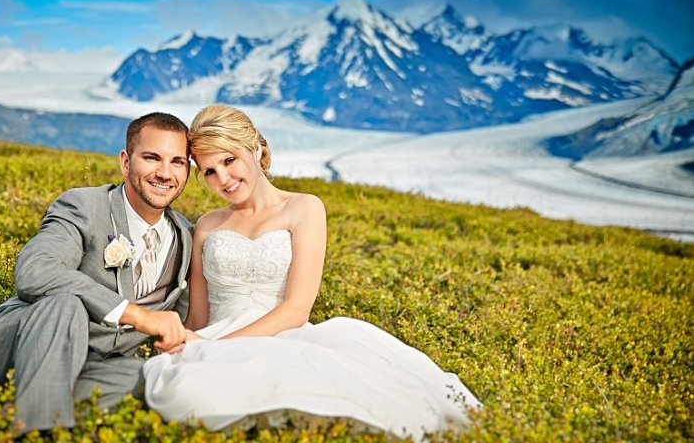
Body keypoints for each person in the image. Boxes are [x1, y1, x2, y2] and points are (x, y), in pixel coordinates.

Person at [142, 105, 481, 440]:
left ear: (255, 148)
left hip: (285, 335)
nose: (223, 179)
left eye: (229, 161)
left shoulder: (304, 207)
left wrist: (219, 347)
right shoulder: (207, 225)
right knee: (187, 392)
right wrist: (190, 344)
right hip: (215, 337)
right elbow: (199, 318)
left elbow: (297, 309)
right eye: (210, 171)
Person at [0, 112, 194, 432]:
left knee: (160, 380)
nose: (165, 173)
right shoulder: (83, 206)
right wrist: (135, 314)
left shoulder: (188, 236)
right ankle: (38, 429)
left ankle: (13, 415)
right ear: (125, 161)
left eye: (177, 162)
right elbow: (35, 272)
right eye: (151, 158)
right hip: (17, 351)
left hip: (95, 367)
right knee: (65, 302)